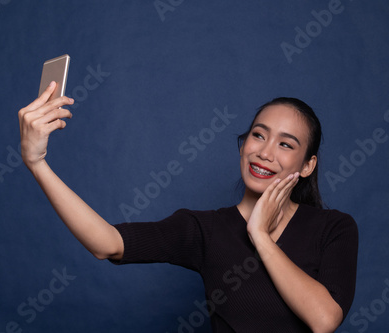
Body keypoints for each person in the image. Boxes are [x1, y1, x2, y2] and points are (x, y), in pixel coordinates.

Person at [18, 81, 358, 333]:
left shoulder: (334, 228)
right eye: (258, 135)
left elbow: (324, 319)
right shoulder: (203, 231)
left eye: (285, 144)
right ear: (243, 146)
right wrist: (38, 163)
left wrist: (261, 236)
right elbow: (106, 243)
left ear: (308, 165)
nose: (265, 152)